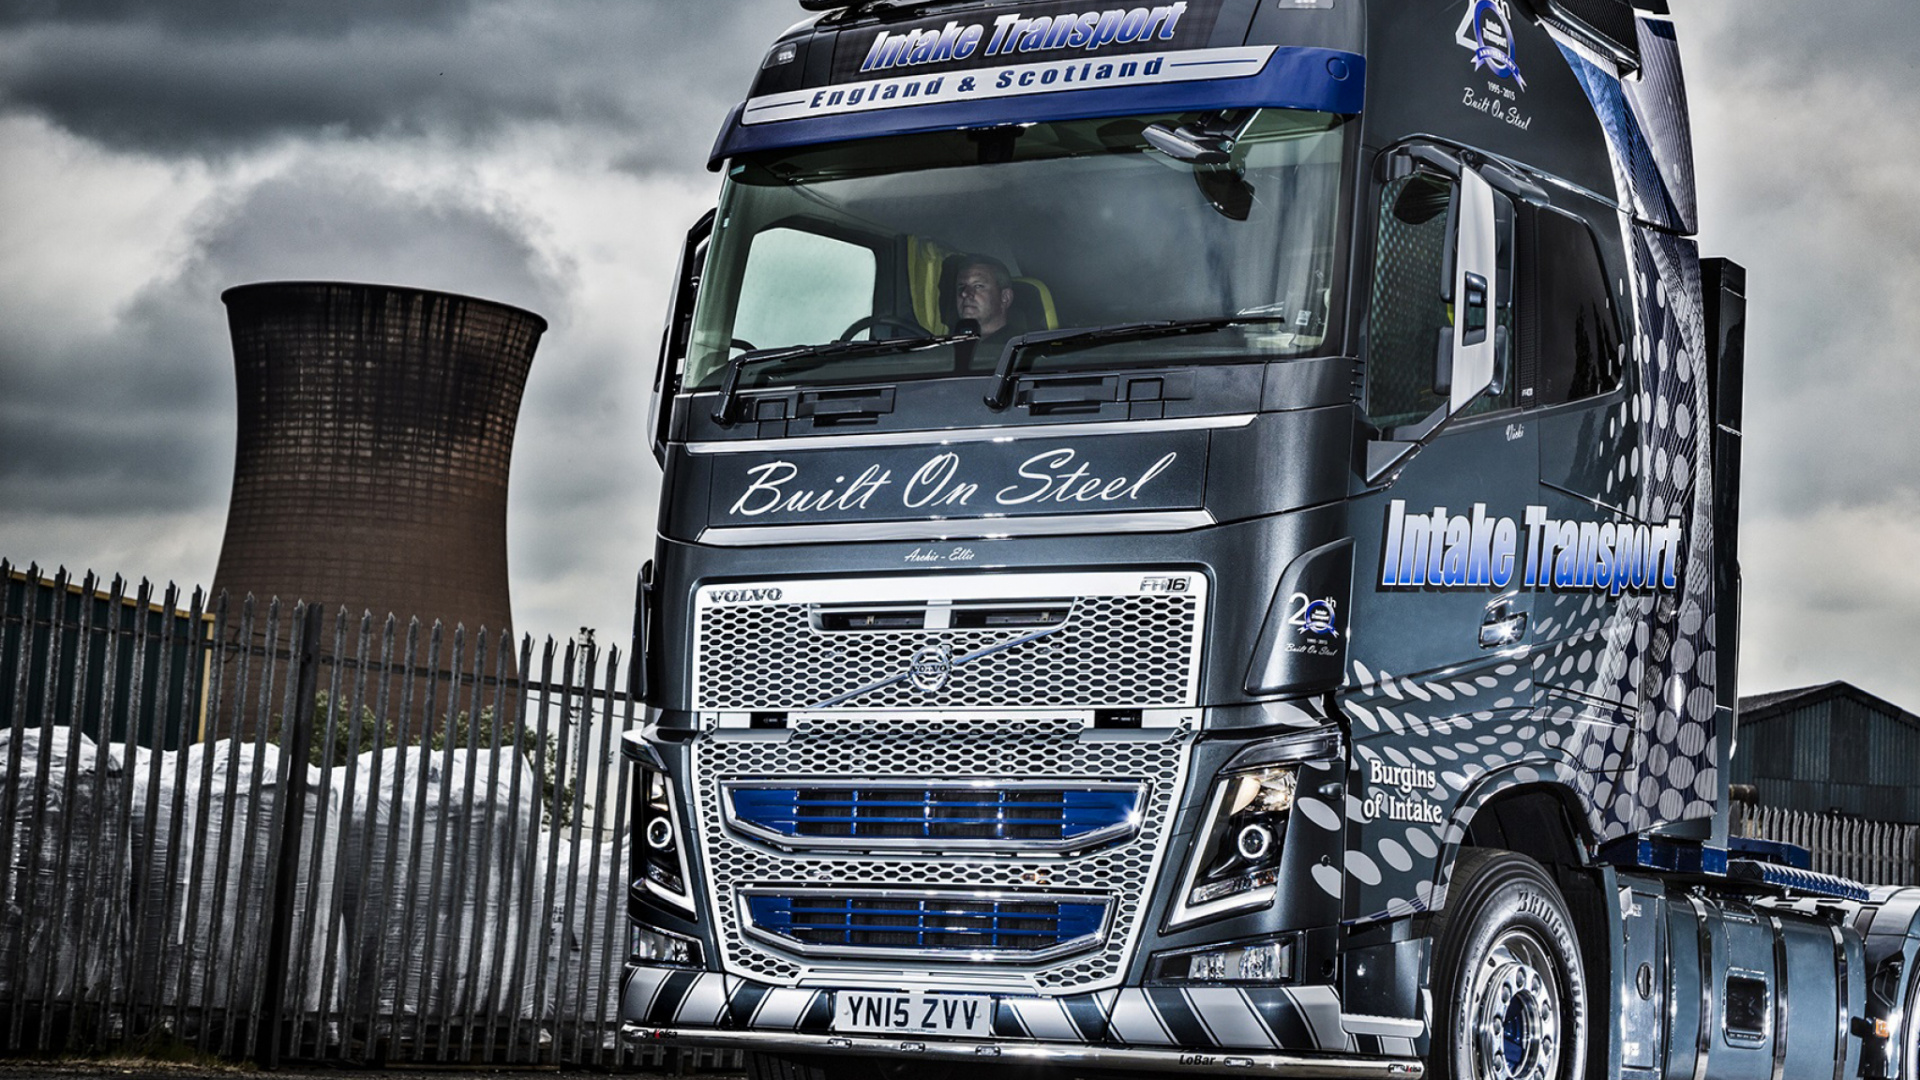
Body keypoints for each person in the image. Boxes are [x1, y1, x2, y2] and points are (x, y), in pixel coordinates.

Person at [953, 255, 1020, 366]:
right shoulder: (946, 347)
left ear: (1005, 297)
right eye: (961, 286)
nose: (964, 293)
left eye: (978, 286)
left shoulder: (1022, 350)